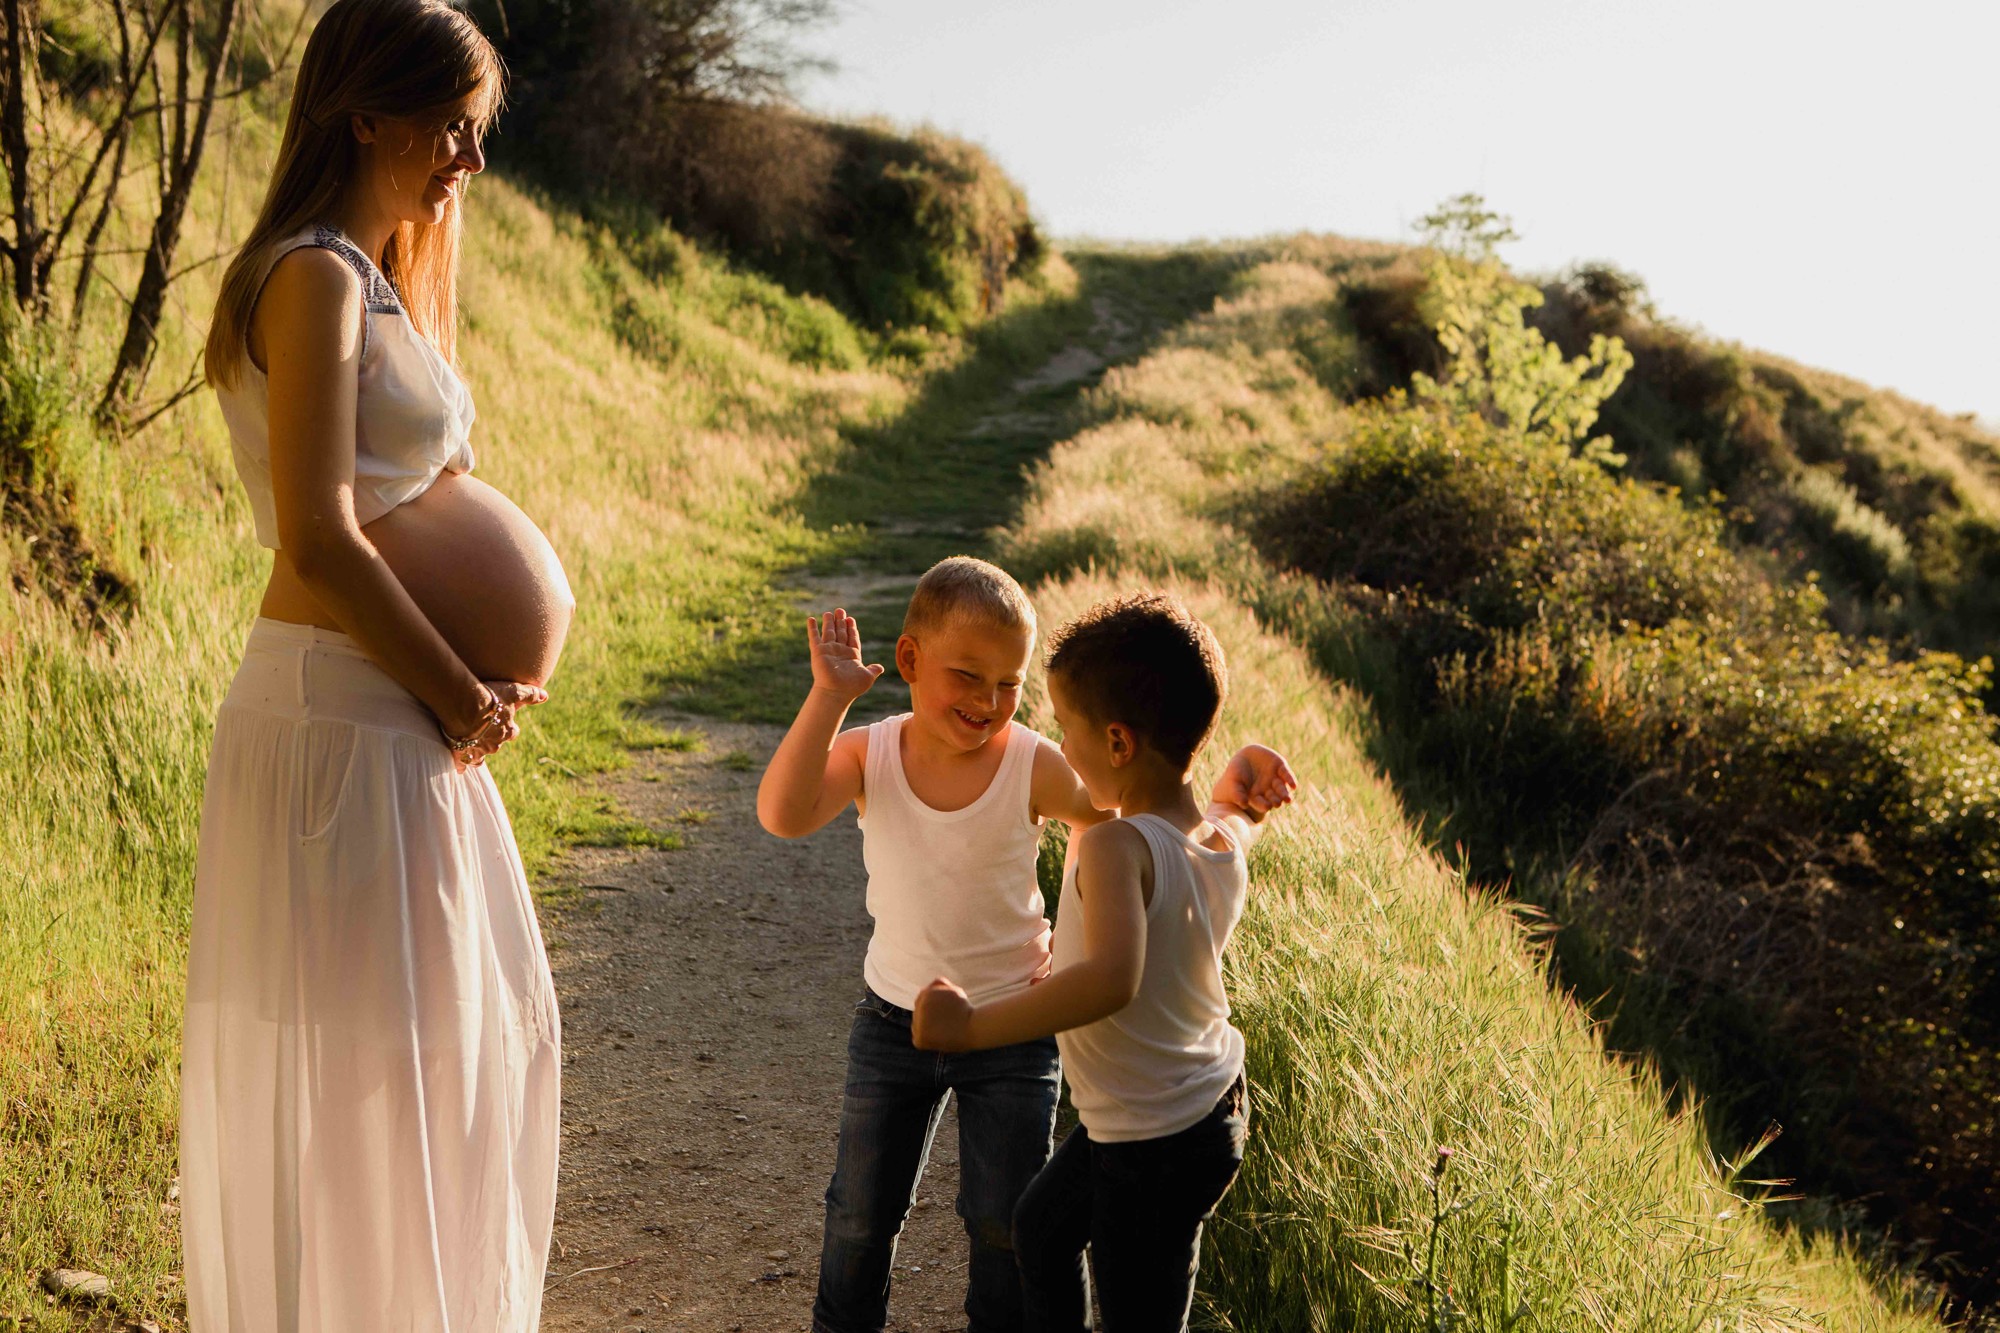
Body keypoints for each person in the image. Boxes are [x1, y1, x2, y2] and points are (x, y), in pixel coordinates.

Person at [182, 0, 571, 1327]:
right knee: (383, 1076)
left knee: (448, 1058)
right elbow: (319, 535)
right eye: (452, 126)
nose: (471, 157)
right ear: (368, 114)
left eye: (477, 128)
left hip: (384, 714)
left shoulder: (367, 271)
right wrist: (461, 692)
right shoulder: (314, 277)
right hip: (345, 714)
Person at [911, 592, 1295, 1333]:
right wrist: (1241, 795)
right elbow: (1237, 819)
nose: (1060, 745)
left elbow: (1111, 980)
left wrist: (970, 1027)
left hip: (1155, 1137)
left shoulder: (1120, 844)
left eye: (1066, 728)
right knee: (1041, 1230)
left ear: (1118, 742)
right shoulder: (1215, 838)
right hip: (1186, 1108)